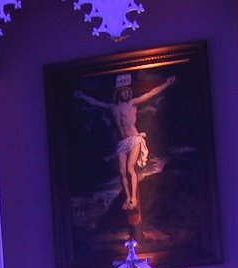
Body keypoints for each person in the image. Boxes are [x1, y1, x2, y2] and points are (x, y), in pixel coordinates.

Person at [74, 73, 176, 211]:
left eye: (128, 91)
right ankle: (128, 197)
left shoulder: (132, 103)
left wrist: (167, 83)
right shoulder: (112, 107)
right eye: (124, 91)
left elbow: (150, 94)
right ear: (119, 93)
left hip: (134, 139)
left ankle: (133, 197)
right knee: (122, 171)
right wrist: (82, 96)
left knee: (130, 168)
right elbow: (95, 102)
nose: (126, 93)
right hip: (122, 143)